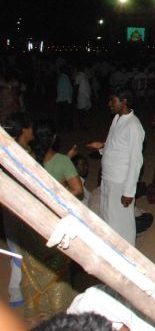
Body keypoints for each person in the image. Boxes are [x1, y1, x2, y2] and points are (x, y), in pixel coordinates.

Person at [17, 120, 82, 324]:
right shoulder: (62, 161)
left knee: (34, 267)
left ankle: (38, 309)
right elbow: (78, 190)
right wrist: (57, 198)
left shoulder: (26, 157)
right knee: (56, 269)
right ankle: (57, 310)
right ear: (54, 138)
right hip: (54, 224)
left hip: (31, 221)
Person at [86, 90, 145, 246]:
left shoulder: (133, 126)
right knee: (108, 218)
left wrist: (128, 191)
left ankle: (127, 252)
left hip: (120, 181)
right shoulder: (117, 119)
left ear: (124, 101)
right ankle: (112, 250)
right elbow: (116, 145)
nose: (109, 104)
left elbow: (135, 160)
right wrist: (102, 147)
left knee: (122, 223)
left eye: (112, 101)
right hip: (108, 179)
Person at [2, 112, 34, 307]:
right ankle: (17, 291)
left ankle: (17, 291)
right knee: (21, 250)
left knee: (16, 247)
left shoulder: (8, 150)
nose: (32, 132)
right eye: (30, 128)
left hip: (10, 206)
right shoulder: (20, 154)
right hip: (19, 207)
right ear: (23, 130)